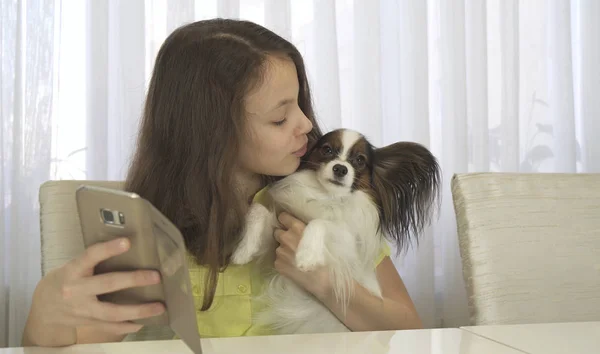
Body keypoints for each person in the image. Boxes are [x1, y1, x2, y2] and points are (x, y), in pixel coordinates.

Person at [22, 19, 422, 347]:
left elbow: (410, 331)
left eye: (300, 103)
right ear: (214, 133)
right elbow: (85, 338)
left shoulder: (330, 204)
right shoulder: (147, 225)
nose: (307, 125)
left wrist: (325, 282)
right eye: (280, 118)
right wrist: (44, 318)